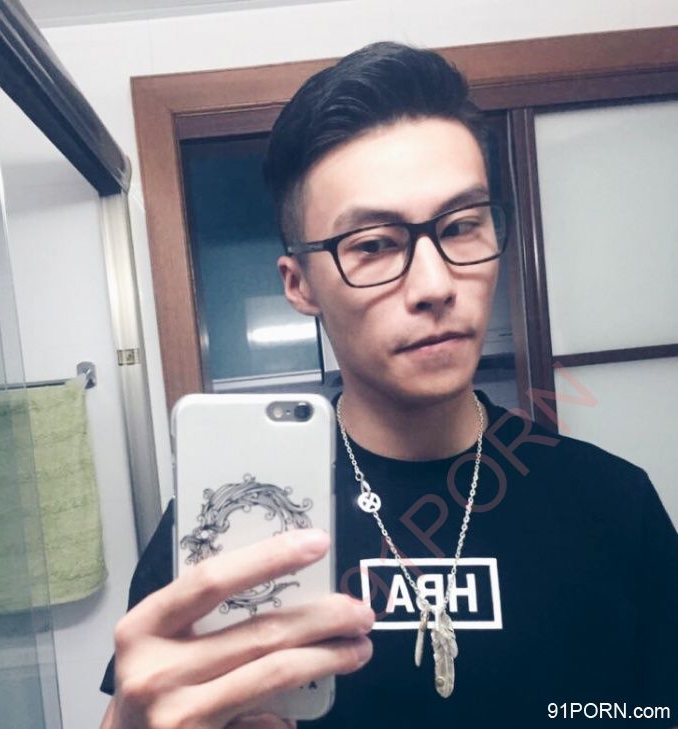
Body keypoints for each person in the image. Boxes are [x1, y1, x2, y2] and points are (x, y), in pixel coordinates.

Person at [99, 42, 678, 728]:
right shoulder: (217, 535)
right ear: (300, 284)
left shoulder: (614, 503)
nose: (435, 284)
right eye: (373, 244)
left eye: (461, 226)